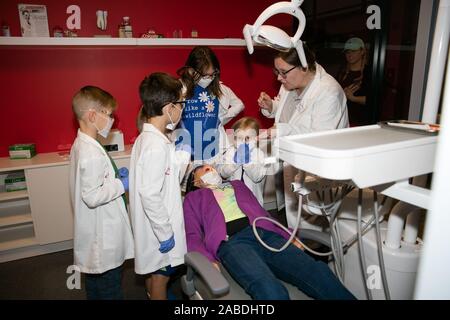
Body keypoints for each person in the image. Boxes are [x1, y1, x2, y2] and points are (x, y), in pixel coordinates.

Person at [183, 164, 355, 300]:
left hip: (266, 234)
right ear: (196, 182)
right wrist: (206, 259)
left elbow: (263, 214)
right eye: (205, 169)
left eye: (212, 168)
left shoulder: (237, 185)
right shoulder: (193, 198)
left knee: (317, 271)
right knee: (268, 288)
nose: (211, 169)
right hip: (233, 242)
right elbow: (192, 235)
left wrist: (289, 236)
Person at [257, 45, 349, 230]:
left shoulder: (328, 92)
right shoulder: (290, 84)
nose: (278, 78)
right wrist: (271, 107)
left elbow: (319, 138)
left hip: (315, 169)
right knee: (294, 217)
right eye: (277, 71)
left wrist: (279, 131)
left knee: (313, 224)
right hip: (292, 160)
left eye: (283, 72)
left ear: (304, 67)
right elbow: (291, 111)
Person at [69, 85, 134, 300]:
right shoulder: (90, 152)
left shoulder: (82, 144)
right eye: (107, 114)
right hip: (102, 239)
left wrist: (114, 178)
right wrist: (122, 184)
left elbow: (93, 182)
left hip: (95, 232)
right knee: (109, 289)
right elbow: (92, 196)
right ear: (91, 115)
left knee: (96, 287)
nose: (111, 119)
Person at [129, 72, 190, 300]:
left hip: (153, 225)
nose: (182, 109)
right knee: (160, 278)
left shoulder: (150, 139)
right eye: (180, 104)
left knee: (153, 271)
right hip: (159, 229)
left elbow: (162, 178)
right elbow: (150, 194)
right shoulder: (155, 146)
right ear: (168, 108)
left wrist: (179, 159)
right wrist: (165, 234)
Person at [176, 46, 244, 163]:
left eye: (212, 74)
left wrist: (220, 118)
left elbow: (239, 104)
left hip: (212, 152)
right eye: (205, 75)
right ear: (191, 71)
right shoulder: (178, 88)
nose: (209, 79)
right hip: (184, 153)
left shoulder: (219, 88)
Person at [216, 117, 269, 206]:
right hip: (233, 198)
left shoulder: (259, 154)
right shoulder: (230, 152)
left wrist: (247, 162)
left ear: (256, 139)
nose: (243, 142)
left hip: (253, 199)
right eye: (239, 138)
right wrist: (235, 163)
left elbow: (257, 177)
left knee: (253, 218)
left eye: (248, 138)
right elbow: (223, 174)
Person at [337, 37, 371, 126]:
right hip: (342, 120)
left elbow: (375, 100)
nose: (350, 55)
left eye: (354, 51)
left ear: (362, 52)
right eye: (347, 52)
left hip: (361, 122)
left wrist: (353, 98)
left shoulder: (369, 73)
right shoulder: (342, 72)